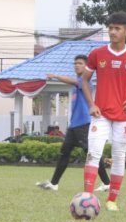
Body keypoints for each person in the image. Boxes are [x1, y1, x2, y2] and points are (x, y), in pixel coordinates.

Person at [81, 12, 126, 211]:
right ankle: (87, 198)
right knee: (93, 153)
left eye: (117, 28)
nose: (113, 32)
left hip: (123, 116)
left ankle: (112, 200)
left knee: (119, 156)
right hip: (101, 114)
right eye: (111, 28)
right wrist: (91, 104)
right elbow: (85, 80)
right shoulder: (97, 54)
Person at [36, 55, 111, 192]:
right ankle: (54, 184)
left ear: (86, 67)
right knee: (64, 153)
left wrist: (56, 76)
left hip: (84, 125)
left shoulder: (86, 82)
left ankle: (107, 183)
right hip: (74, 126)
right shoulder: (76, 85)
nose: (76, 65)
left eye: (80, 63)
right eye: (75, 63)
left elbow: (74, 81)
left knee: (92, 154)